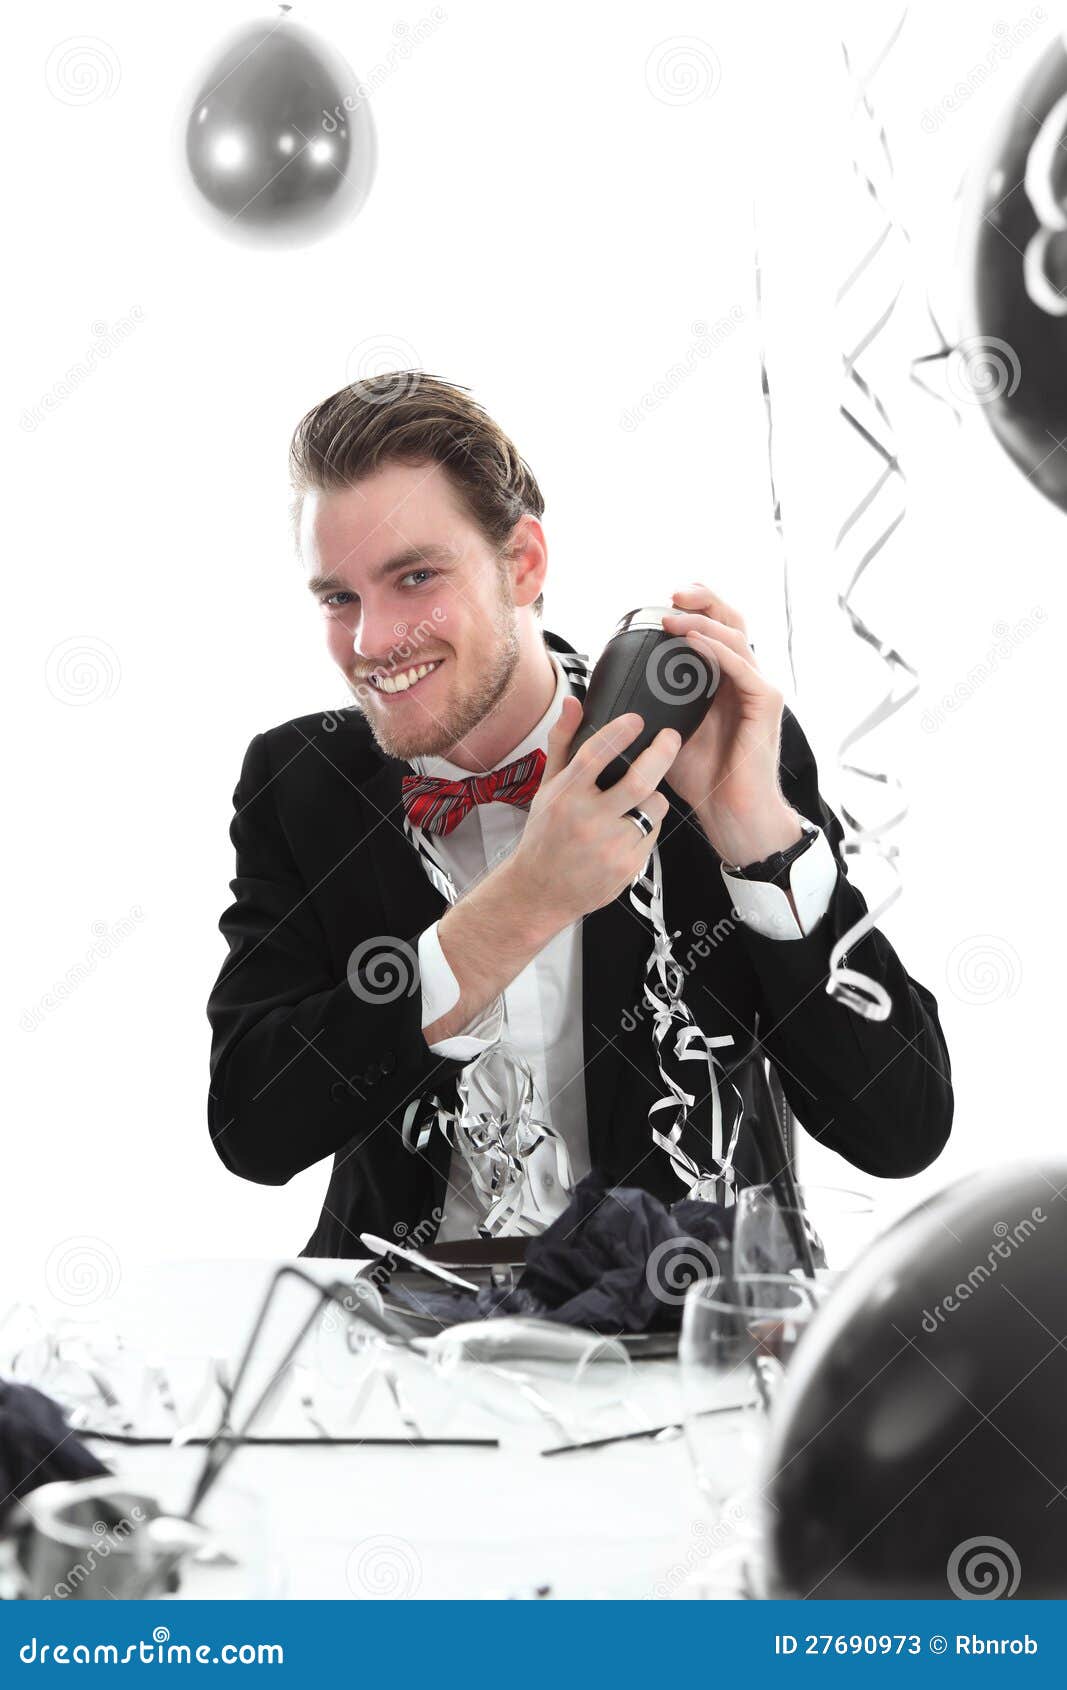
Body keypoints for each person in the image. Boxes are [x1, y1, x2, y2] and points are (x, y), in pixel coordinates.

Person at [206, 373, 953, 1256]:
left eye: (415, 576)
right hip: (397, 1339)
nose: (371, 641)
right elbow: (255, 1128)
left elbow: (900, 1131)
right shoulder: (300, 780)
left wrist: (755, 835)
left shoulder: (700, 740)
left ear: (521, 563)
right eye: (339, 597)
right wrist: (519, 906)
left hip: (677, 1328)